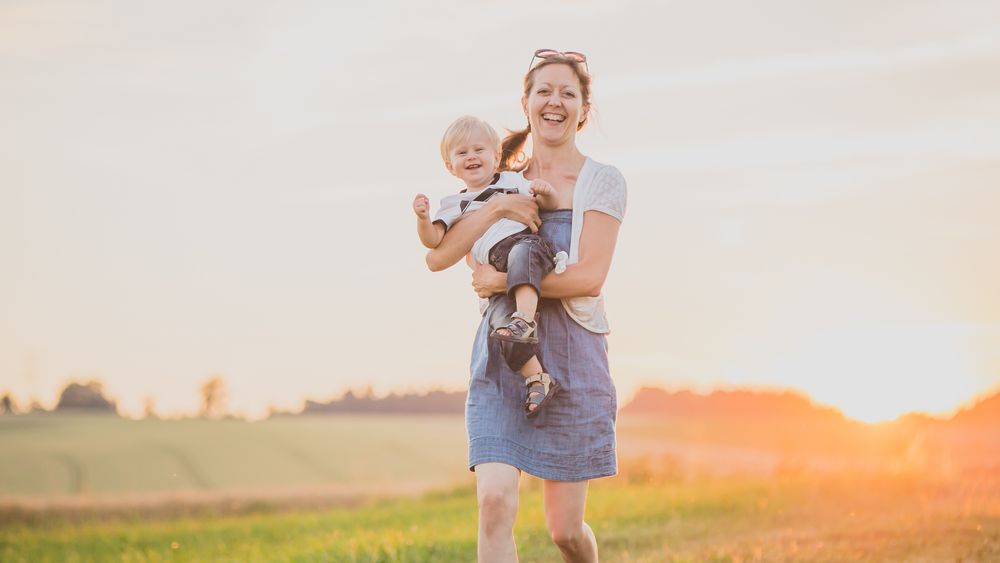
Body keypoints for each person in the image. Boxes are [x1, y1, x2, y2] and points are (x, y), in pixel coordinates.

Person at [425, 49, 626, 562]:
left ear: (583, 108)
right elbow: (441, 255)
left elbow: (590, 276)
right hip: (502, 355)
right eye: (544, 91)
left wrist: (502, 280)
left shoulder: (602, 181)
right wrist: (496, 206)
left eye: (567, 93)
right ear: (526, 102)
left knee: (565, 533)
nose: (554, 102)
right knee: (493, 501)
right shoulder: (497, 178)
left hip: (572, 358)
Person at [414, 115, 567, 417]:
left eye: (479, 150)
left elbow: (546, 205)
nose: (471, 156)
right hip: (493, 274)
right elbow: (433, 242)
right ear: (450, 166)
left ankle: (525, 317)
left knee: (522, 256)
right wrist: (422, 219)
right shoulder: (454, 205)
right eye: (462, 153)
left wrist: (544, 191)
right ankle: (537, 378)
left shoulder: (511, 181)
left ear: (496, 155)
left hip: (525, 246)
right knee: (501, 329)